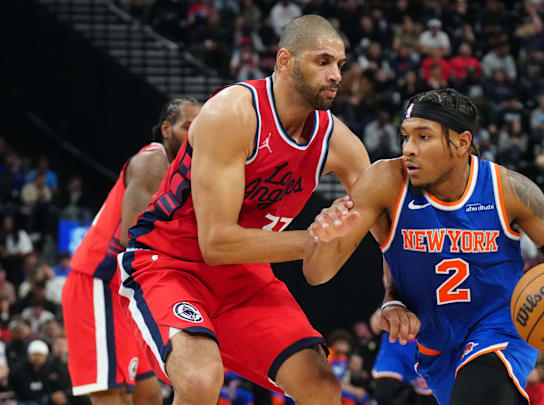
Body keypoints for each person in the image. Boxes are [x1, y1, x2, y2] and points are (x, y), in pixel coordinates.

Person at [118, 15, 375, 405]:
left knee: (322, 386)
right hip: (169, 263)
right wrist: (313, 241)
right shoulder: (232, 112)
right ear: (285, 61)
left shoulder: (337, 141)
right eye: (322, 61)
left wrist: (398, 295)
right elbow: (217, 243)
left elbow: (388, 219)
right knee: (203, 380)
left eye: (340, 64)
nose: (336, 74)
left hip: (245, 276)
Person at [303, 88, 544, 405]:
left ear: (462, 142)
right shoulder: (384, 181)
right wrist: (325, 240)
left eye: (424, 137)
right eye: (405, 137)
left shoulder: (509, 189)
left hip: (500, 325)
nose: (409, 149)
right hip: (435, 341)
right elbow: (317, 274)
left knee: (480, 387)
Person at [62, 97, 201, 404]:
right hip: (99, 282)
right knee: (113, 396)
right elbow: (132, 236)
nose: (195, 135)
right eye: (187, 127)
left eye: (200, 128)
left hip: (128, 292)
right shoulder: (153, 161)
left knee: (148, 395)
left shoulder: (187, 174)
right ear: (166, 129)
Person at [369, 306, 435, 405]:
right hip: (395, 345)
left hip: (425, 347)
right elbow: (376, 325)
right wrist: (381, 311)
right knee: (383, 394)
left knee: (429, 399)